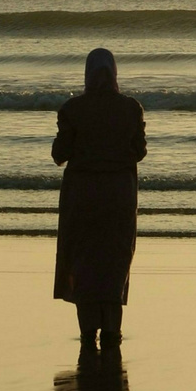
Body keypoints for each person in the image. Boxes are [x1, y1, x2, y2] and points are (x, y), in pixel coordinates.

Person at [52, 48, 146, 347]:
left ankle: (87, 331)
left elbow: (59, 155)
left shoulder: (72, 109)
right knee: (115, 260)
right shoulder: (131, 108)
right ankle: (112, 331)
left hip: (82, 195)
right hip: (119, 194)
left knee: (84, 260)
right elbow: (139, 152)